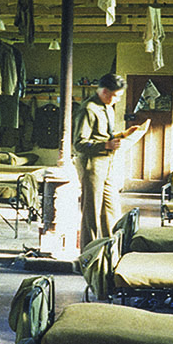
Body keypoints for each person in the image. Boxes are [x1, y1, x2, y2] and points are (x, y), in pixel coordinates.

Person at [73, 73, 137, 251]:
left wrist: (123, 135)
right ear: (104, 91)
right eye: (116, 95)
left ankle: (110, 250)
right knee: (91, 213)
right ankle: (89, 255)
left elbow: (103, 135)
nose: (117, 100)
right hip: (92, 165)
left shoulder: (108, 106)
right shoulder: (88, 109)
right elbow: (79, 144)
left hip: (107, 164)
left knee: (111, 211)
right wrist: (106, 145)